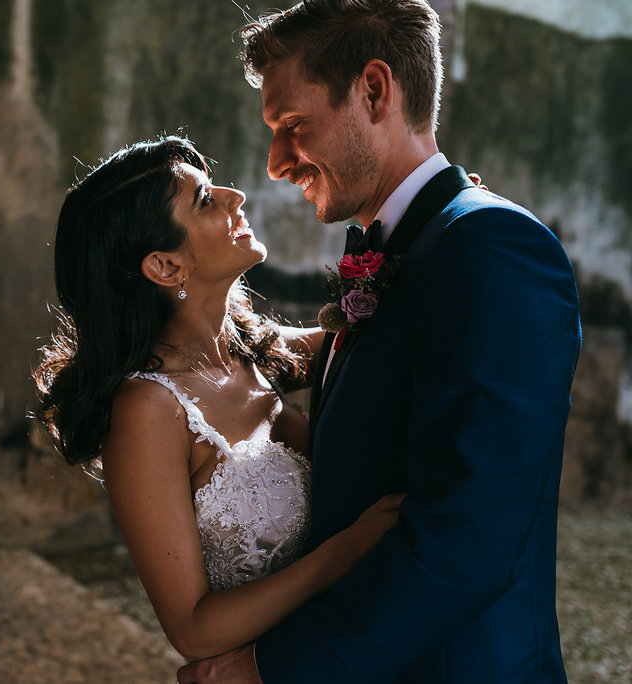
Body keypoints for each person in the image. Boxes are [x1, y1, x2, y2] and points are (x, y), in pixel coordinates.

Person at [176, 1, 581, 682]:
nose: (277, 164)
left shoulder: (493, 248)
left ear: (373, 90)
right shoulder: (398, 247)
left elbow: (468, 539)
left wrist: (270, 670)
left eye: (293, 127)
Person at [34, 136, 405, 661]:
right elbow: (193, 630)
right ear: (165, 266)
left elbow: (376, 332)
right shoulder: (148, 410)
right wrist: (344, 552)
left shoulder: (253, 351)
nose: (237, 197)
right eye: (205, 200)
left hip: (344, 651)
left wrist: (439, 241)